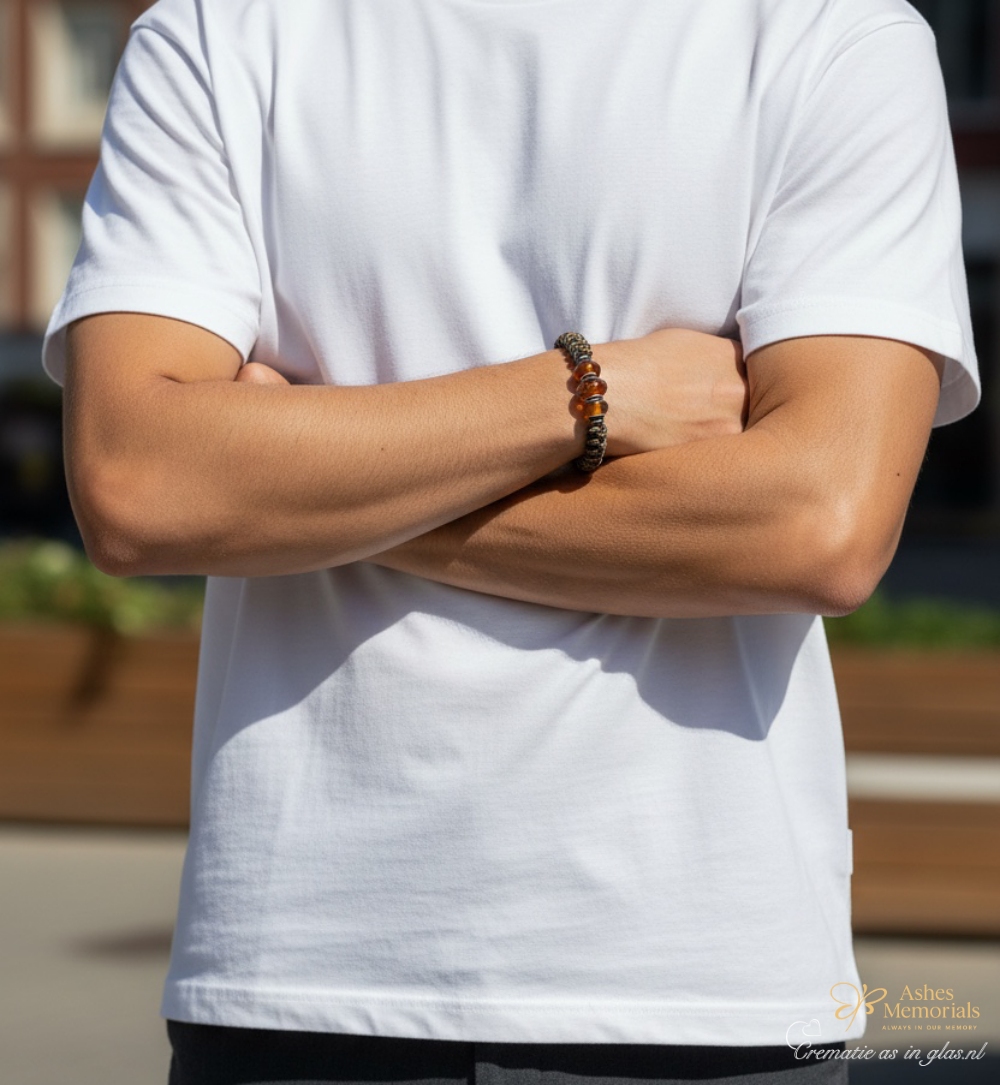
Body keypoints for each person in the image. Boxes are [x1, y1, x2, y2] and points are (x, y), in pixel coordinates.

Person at [45, 0, 979, 1082]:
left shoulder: (833, 34)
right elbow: (137, 482)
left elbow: (819, 527)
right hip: (305, 970)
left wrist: (307, 486)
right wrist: (589, 390)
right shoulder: (219, 31)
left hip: (696, 986)